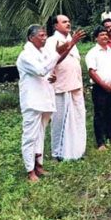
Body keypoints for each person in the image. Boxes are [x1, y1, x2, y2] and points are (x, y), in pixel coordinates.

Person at [16, 24, 71, 182]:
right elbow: (40, 70)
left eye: (45, 35)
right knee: (30, 136)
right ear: (31, 38)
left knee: (40, 135)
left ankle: (39, 165)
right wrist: (57, 53)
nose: (44, 38)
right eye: (41, 35)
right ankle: (29, 170)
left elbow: (45, 73)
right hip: (32, 102)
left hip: (44, 99)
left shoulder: (42, 53)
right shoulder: (25, 55)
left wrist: (51, 78)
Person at [44, 15, 86, 161]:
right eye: (64, 22)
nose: (68, 23)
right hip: (61, 87)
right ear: (55, 26)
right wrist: (72, 42)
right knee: (59, 121)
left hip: (76, 86)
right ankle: (57, 153)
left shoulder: (70, 40)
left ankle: (77, 151)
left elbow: (75, 65)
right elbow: (55, 61)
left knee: (78, 118)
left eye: (69, 21)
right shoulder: (51, 41)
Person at [85, 26, 111, 150]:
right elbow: (92, 72)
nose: (105, 36)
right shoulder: (92, 53)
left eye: (106, 34)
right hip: (100, 89)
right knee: (99, 114)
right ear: (96, 38)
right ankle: (100, 142)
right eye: (101, 35)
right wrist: (104, 85)